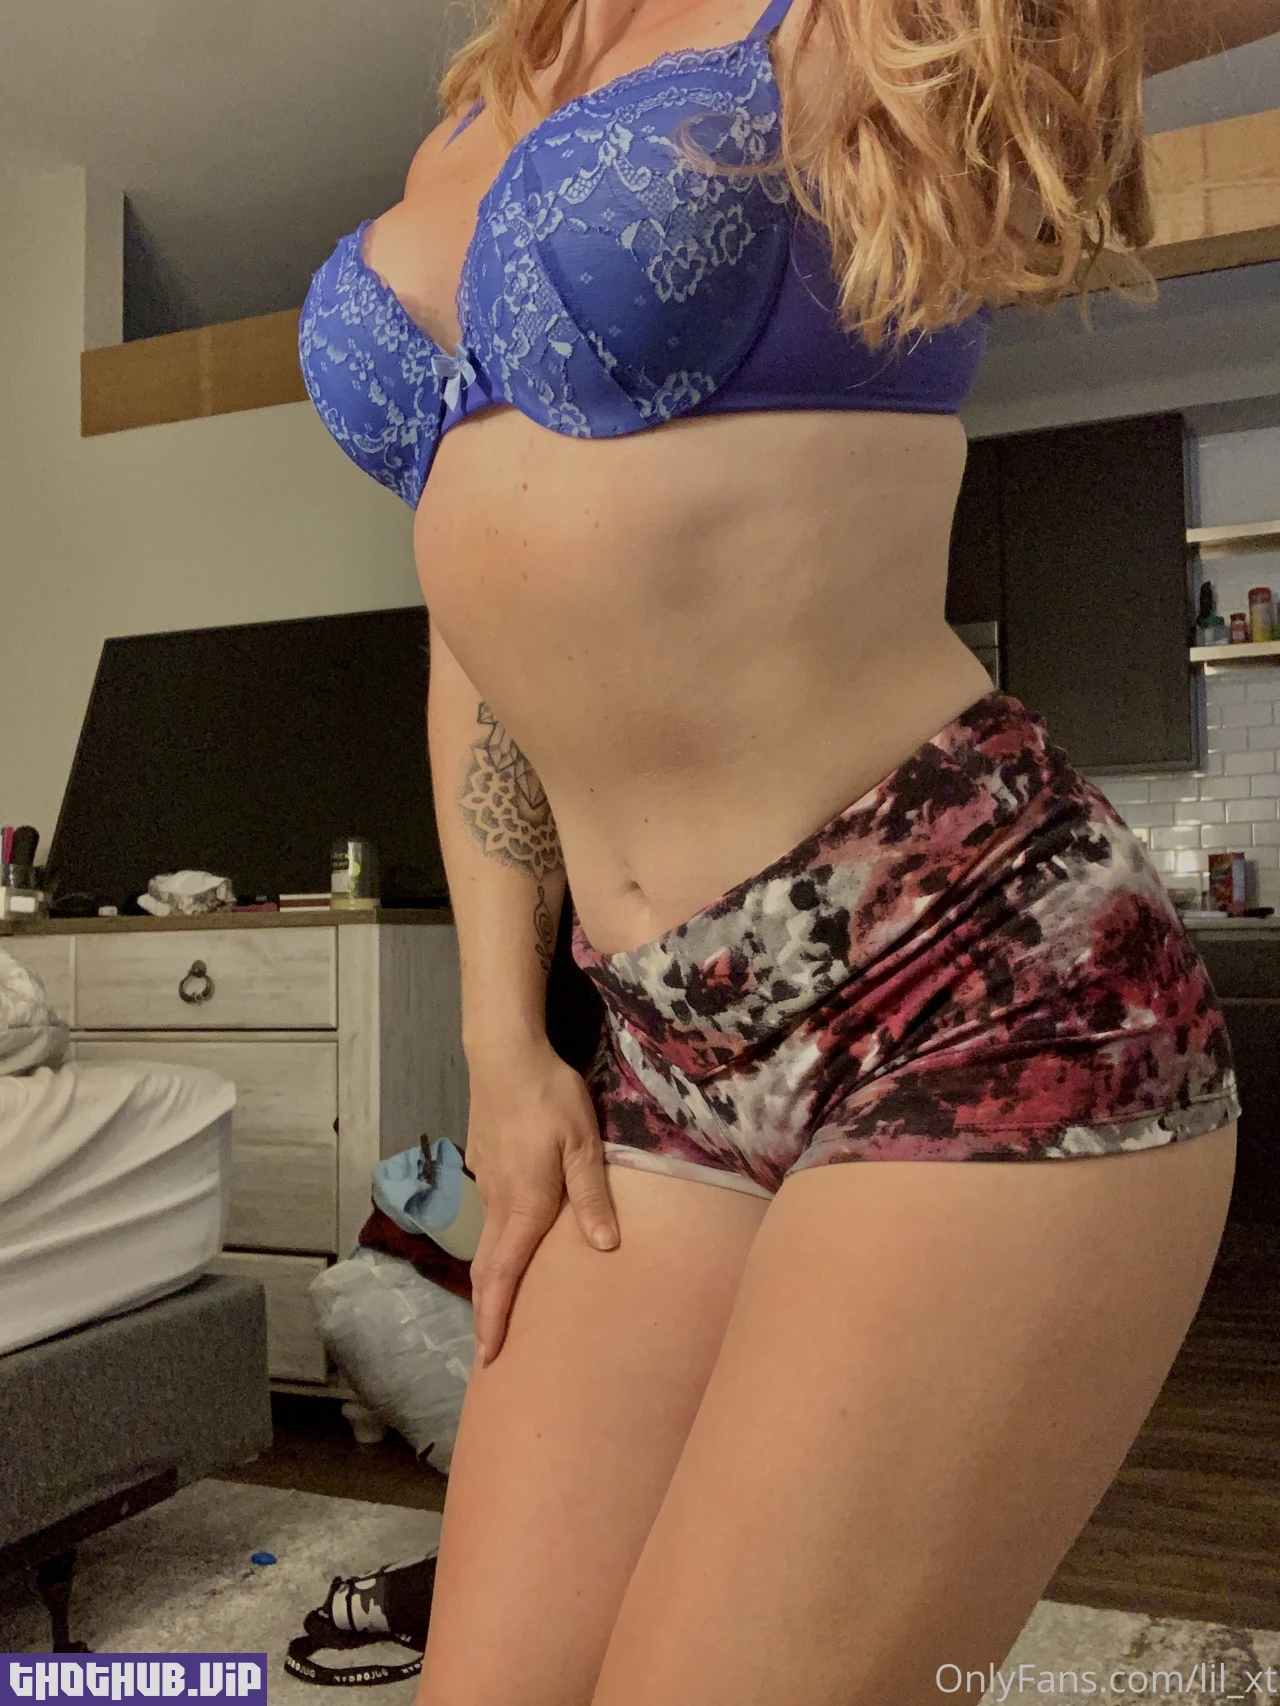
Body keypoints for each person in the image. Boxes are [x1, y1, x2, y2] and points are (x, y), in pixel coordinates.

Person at [298, 2, 1278, 1698]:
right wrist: (500, 1036)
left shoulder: (863, 18)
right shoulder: (479, 103)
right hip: (664, 1047)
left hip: (970, 984)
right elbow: (482, 627)